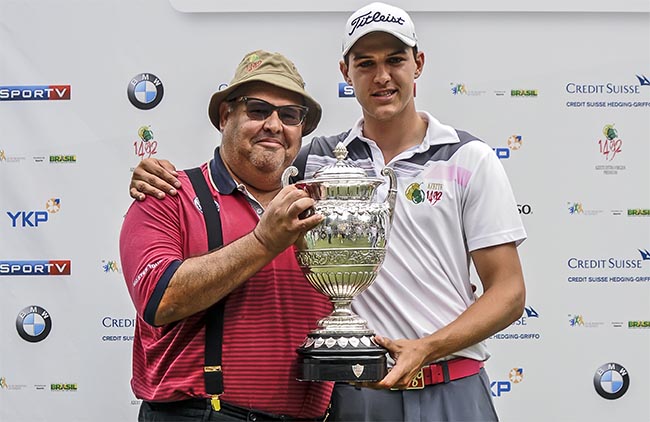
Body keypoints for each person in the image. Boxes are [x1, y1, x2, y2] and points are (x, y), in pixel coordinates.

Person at [128, 3, 527, 421]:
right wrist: (155, 175)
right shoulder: (313, 163)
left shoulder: (469, 157)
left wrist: (427, 347)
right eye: (365, 63)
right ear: (345, 72)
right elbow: (245, 161)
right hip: (355, 388)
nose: (382, 76)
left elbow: (509, 292)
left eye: (395, 60)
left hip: (452, 381)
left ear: (418, 63)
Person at [120, 49, 334, 422]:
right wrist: (263, 241)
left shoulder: (322, 210)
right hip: (201, 413)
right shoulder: (168, 194)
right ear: (225, 116)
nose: (273, 124)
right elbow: (159, 299)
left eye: (289, 115)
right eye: (257, 110)